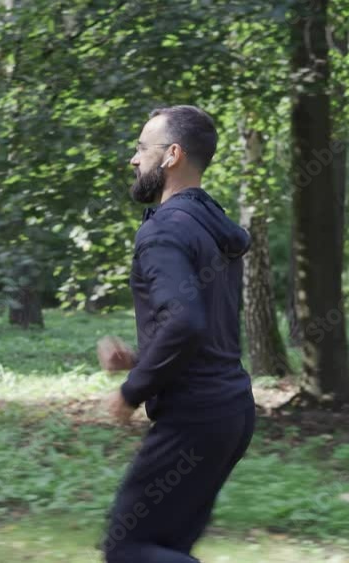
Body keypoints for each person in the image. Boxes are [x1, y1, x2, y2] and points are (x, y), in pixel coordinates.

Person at [96, 105, 255, 562]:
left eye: (142, 148)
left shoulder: (164, 231)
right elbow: (201, 326)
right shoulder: (210, 226)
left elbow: (185, 323)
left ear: (172, 155)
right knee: (165, 548)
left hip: (196, 416)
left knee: (129, 548)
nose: (134, 158)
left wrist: (132, 390)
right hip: (230, 412)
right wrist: (143, 357)